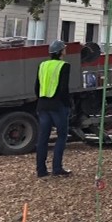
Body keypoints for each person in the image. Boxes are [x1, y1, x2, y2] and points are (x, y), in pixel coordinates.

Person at [34, 40, 72, 178]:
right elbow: (64, 89)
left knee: (43, 138)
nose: (65, 51)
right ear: (61, 51)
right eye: (64, 49)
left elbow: (37, 88)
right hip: (58, 106)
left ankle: (41, 170)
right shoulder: (64, 66)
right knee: (61, 136)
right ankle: (57, 168)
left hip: (43, 105)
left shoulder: (42, 65)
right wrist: (68, 105)